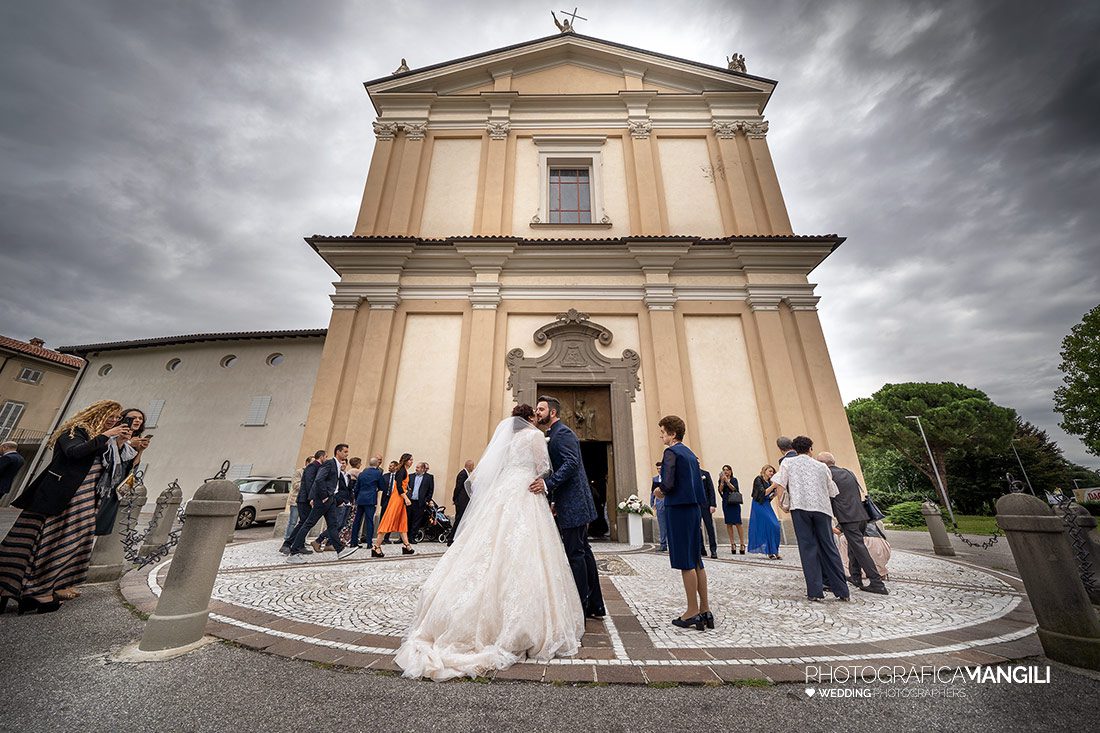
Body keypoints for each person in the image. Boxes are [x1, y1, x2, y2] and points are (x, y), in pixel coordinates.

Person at [395, 404, 584, 680]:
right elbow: (543, 467)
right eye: (534, 415)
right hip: (525, 490)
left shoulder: (507, 439)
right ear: (529, 418)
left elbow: (496, 468)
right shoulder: (534, 436)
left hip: (504, 490)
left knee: (488, 543)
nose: (536, 419)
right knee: (527, 547)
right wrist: (543, 479)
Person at [0, 400, 128, 614]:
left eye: (117, 417)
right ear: (98, 413)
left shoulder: (102, 438)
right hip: (60, 495)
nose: (114, 420)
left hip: (83, 497)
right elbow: (74, 453)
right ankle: (27, 590)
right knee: (41, 540)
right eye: (111, 415)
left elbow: (109, 468)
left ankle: (38, 589)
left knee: (64, 541)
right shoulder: (75, 431)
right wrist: (106, 435)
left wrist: (120, 443)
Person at [528, 395, 605, 619]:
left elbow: (571, 463)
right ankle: (595, 604)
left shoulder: (563, 433)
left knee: (576, 555)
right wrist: (554, 500)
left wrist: (547, 484)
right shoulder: (553, 434)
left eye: (541, 409)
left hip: (575, 502)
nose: (537, 412)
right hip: (567, 501)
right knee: (582, 552)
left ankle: (580, 606)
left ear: (552, 412)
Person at [770, 436, 849, 603]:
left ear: (795, 449)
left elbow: (780, 484)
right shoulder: (821, 466)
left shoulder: (788, 463)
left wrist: (783, 505)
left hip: (800, 508)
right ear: (810, 449)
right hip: (821, 508)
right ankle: (842, 590)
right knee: (829, 547)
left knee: (808, 548)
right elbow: (832, 491)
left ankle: (815, 591)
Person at [653, 415, 711, 631]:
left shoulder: (671, 452)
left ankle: (692, 611)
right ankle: (705, 610)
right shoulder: (690, 454)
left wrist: (659, 491)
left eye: (663, 432)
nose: (661, 436)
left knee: (685, 561)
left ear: (672, 433)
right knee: (696, 560)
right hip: (694, 508)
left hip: (678, 508)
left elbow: (668, 483)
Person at [818, 452, 888, 595]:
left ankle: (877, 582)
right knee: (853, 546)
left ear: (822, 464)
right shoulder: (848, 472)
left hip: (847, 517)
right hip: (861, 515)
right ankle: (855, 577)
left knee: (859, 548)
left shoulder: (827, 475)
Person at [287, 444, 358, 562]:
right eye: (345, 452)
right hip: (323, 500)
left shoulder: (337, 465)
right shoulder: (329, 463)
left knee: (333, 525)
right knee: (308, 523)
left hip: (330, 499)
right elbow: (319, 479)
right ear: (338, 452)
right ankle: (293, 552)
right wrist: (324, 496)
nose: (347, 454)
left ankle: (340, 550)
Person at [93, 407, 150, 540]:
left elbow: (133, 467)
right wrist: (127, 442)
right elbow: (109, 456)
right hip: (105, 479)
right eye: (133, 418)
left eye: (140, 419)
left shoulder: (136, 438)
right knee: (94, 514)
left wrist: (140, 450)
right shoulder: (113, 434)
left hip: (119, 482)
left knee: (104, 518)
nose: (137, 420)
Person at [280, 450, 325, 555]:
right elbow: (308, 484)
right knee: (301, 522)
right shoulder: (308, 469)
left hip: (305, 499)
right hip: (303, 500)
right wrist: (311, 498)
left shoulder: (313, 469)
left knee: (304, 522)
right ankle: (288, 544)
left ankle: (297, 544)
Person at [372, 453, 415, 557]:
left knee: (402, 522)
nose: (412, 462)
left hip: (400, 499)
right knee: (388, 521)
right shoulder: (401, 471)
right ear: (405, 460)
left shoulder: (404, 471)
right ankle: (376, 546)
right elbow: (399, 487)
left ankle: (406, 545)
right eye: (410, 460)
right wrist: (406, 498)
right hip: (397, 499)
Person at [748, 465, 781, 559]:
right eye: (770, 471)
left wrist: (774, 494)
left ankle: (775, 550)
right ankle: (771, 552)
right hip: (758, 505)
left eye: (773, 472)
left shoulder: (770, 482)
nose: (772, 473)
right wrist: (773, 486)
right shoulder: (758, 479)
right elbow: (763, 493)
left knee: (776, 526)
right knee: (770, 525)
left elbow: (769, 497)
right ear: (765, 470)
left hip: (766, 504)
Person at [350, 457, 383, 547]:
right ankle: (369, 543)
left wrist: (357, 498)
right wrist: (376, 489)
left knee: (357, 520)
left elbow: (356, 488)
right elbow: (382, 486)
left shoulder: (362, 473)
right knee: (369, 521)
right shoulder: (378, 473)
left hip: (360, 499)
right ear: (377, 464)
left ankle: (353, 542)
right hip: (370, 499)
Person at [718, 465, 745, 555]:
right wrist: (722, 481)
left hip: (734, 502)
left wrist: (727, 481)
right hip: (726, 503)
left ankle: (742, 543)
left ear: (730, 471)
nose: (726, 472)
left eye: (727, 470)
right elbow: (720, 490)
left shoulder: (734, 480)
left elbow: (734, 489)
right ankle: (732, 543)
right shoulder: (721, 480)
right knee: (729, 523)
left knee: (738, 523)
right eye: (724, 470)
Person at [448, 459, 474, 545]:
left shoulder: (465, 474)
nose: (473, 468)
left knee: (460, 519)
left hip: (463, 501)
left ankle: (454, 537)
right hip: (461, 501)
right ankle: (451, 538)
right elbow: (458, 487)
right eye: (473, 466)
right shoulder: (463, 474)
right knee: (458, 520)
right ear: (469, 466)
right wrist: (455, 498)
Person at [407, 461, 435, 543]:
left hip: (420, 503)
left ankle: (412, 537)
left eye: (418, 467)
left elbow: (430, 490)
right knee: (407, 519)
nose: (416, 469)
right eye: (416, 467)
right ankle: (403, 538)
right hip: (410, 501)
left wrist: (427, 500)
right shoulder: (410, 476)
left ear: (423, 469)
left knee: (416, 521)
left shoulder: (429, 477)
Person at [699, 467, 719, 559]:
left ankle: (713, 549)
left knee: (709, 527)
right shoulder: (690, 474)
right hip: (695, 505)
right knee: (697, 528)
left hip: (706, 505)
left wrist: (712, 504)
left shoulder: (705, 474)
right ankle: (701, 549)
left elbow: (711, 490)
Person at [379, 459, 399, 544]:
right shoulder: (385, 476)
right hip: (386, 498)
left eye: (391, 466)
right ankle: (380, 537)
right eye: (389, 466)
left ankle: (387, 538)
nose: (389, 467)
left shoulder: (399, 476)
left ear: (396, 467)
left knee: (391, 518)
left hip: (394, 499)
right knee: (383, 518)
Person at [650, 461, 667, 552]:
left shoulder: (668, 478)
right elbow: (653, 492)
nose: (659, 470)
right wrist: (652, 503)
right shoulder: (655, 479)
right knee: (662, 525)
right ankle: (663, 544)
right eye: (657, 469)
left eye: (660, 468)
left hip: (668, 504)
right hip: (660, 505)